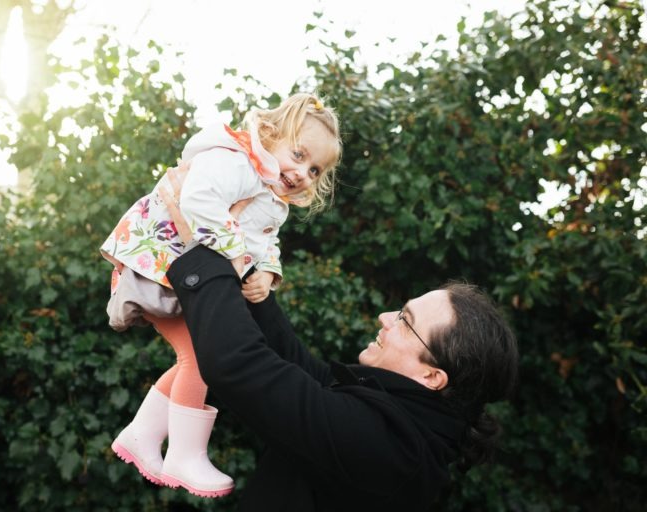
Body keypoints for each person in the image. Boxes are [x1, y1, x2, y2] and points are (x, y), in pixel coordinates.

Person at [99, 93, 342, 498]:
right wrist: (239, 258)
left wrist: (265, 271)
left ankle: (142, 433)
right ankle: (185, 453)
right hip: (153, 265)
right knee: (199, 358)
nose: (303, 172)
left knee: (192, 356)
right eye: (298, 155)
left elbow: (263, 243)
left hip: (176, 275)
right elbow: (197, 200)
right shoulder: (236, 161)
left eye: (314, 169)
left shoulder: (269, 195)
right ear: (269, 133)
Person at [164, 244, 520, 511]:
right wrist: (250, 281)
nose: (384, 317)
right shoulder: (397, 419)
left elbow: (239, 366)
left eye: (405, 321)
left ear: (432, 376)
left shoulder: (391, 449)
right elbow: (297, 365)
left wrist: (204, 254)